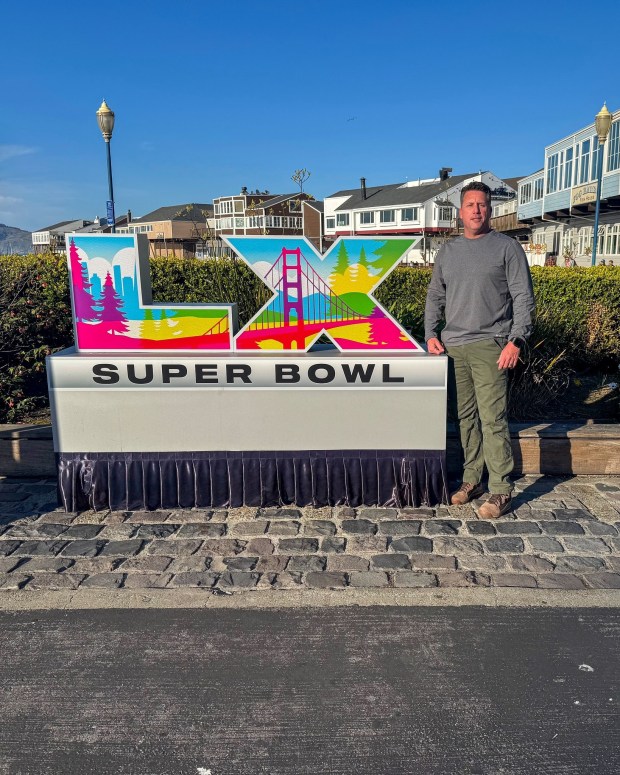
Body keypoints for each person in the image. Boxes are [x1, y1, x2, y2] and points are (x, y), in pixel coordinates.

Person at [424, 181, 535, 519]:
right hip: (454, 348)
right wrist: (430, 333)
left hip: (492, 346)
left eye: (482, 205)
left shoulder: (507, 247)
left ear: (490, 209)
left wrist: (516, 340)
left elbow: (523, 298)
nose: (476, 210)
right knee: (465, 419)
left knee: (493, 419)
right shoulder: (448, 251)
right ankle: (472, 479)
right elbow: (435, 296)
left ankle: (501, 489)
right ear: (461, 211)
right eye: (470, 204)